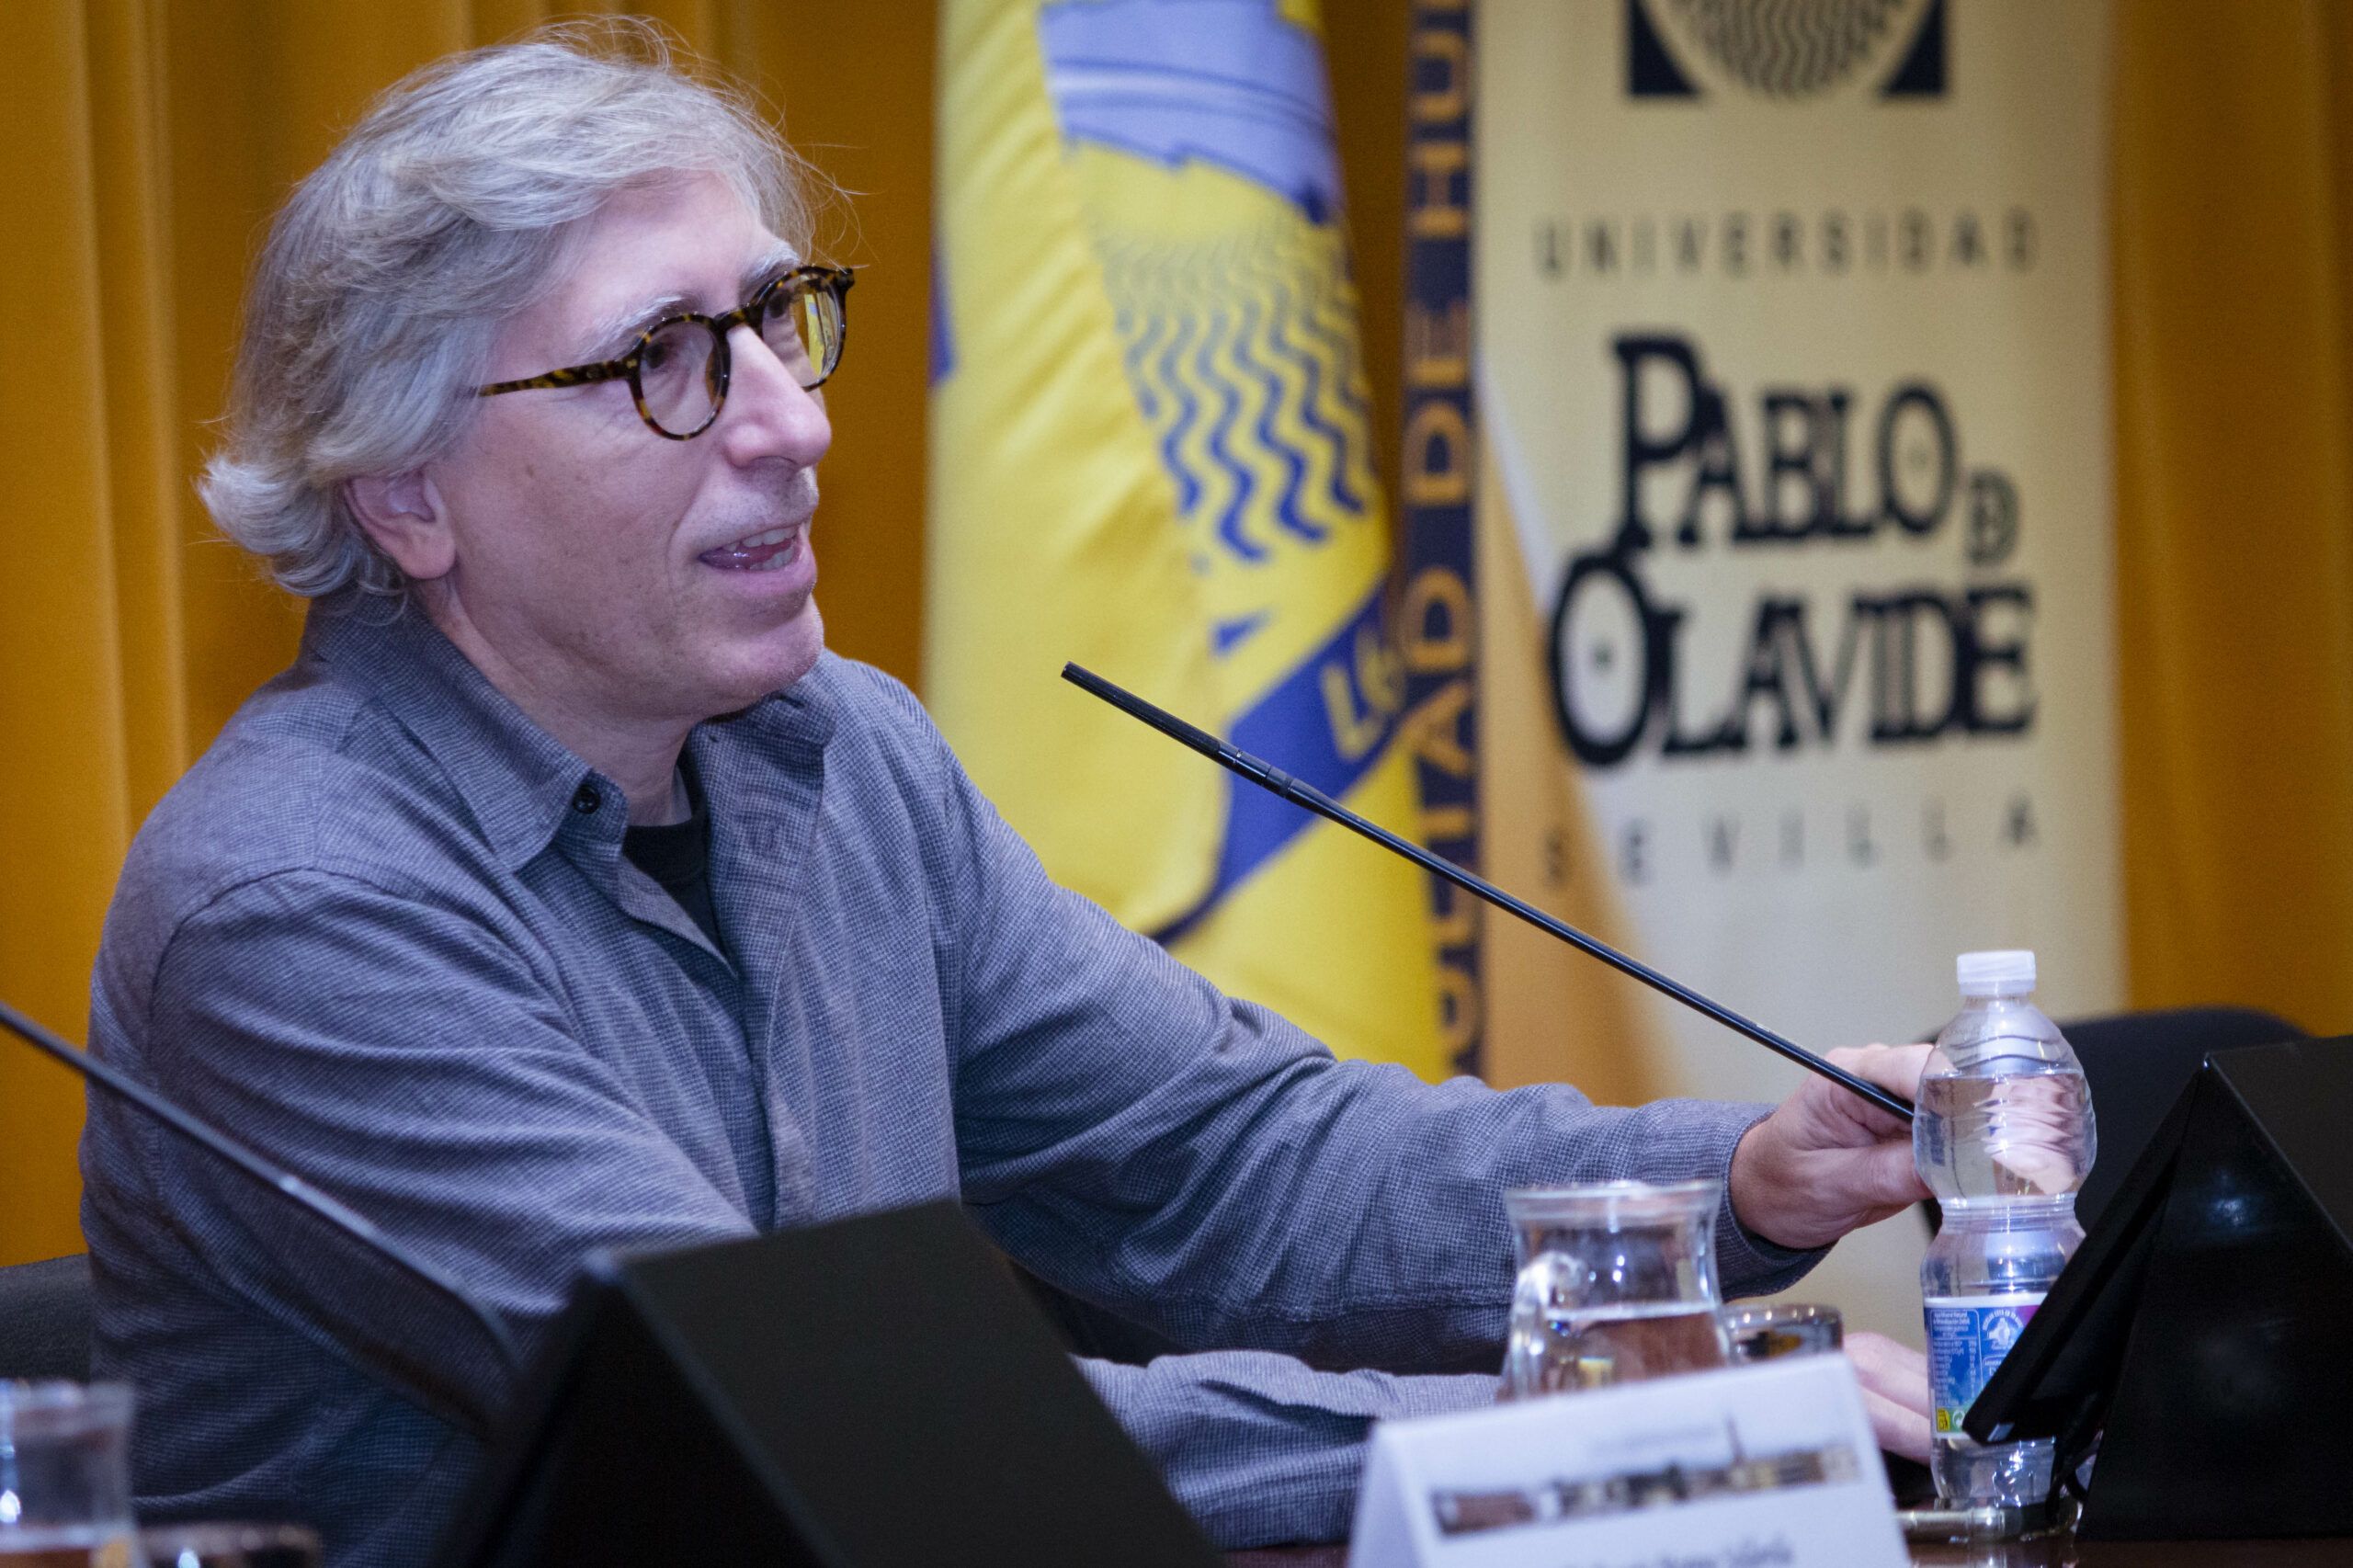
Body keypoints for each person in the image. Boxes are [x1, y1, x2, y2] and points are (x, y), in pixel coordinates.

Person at [78, 24, 1930, 1568]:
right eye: (659, 361)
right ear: (409, 495)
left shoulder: (838, 759)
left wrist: (1727, 1195)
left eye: (776, 316)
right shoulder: (293, 910)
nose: (789, 423)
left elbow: (1231, 1168)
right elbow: (826, 1432)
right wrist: (1582, 1424)